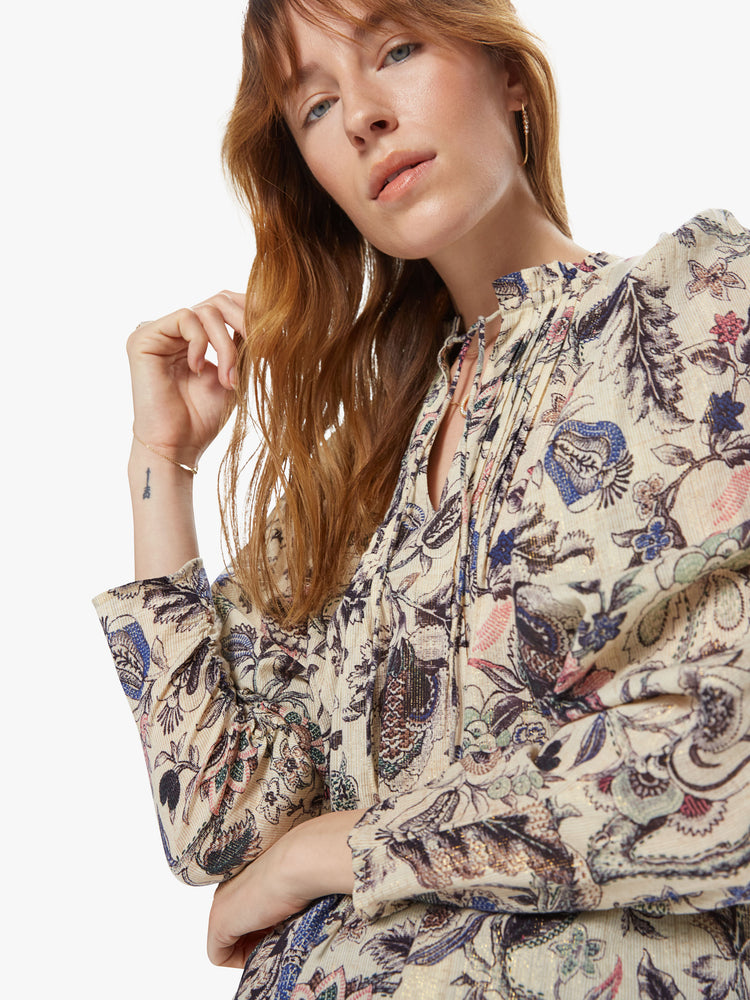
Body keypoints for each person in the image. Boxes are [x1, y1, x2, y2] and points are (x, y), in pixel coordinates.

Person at [93, 0, 750, 996]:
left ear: (509, 74)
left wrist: (337, 851)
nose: (361, 116)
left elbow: (721, 763)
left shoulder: (695, 311)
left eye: (395, 51)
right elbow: (218, 822)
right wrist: (162, 464)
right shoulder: (358, 473)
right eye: (315, 107)